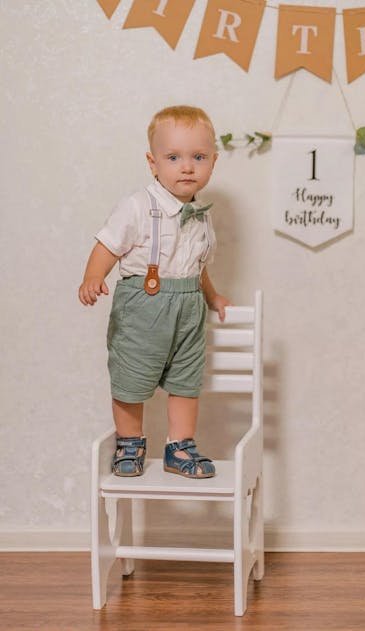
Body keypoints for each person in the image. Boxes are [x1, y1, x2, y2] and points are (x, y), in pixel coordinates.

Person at [79, 105, 230, 479]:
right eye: (174, 157)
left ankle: (180, 445)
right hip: (143, 307)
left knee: (185, 380)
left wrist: (213, 297)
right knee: (131, 376)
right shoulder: (137, 206)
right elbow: (108, 245)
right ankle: (129, 442)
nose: (187, 167)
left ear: (213, 161)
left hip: (189, 309)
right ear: (153, 163)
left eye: (198, 157)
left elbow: (197, 266)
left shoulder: (202, 214)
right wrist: (93, 277)